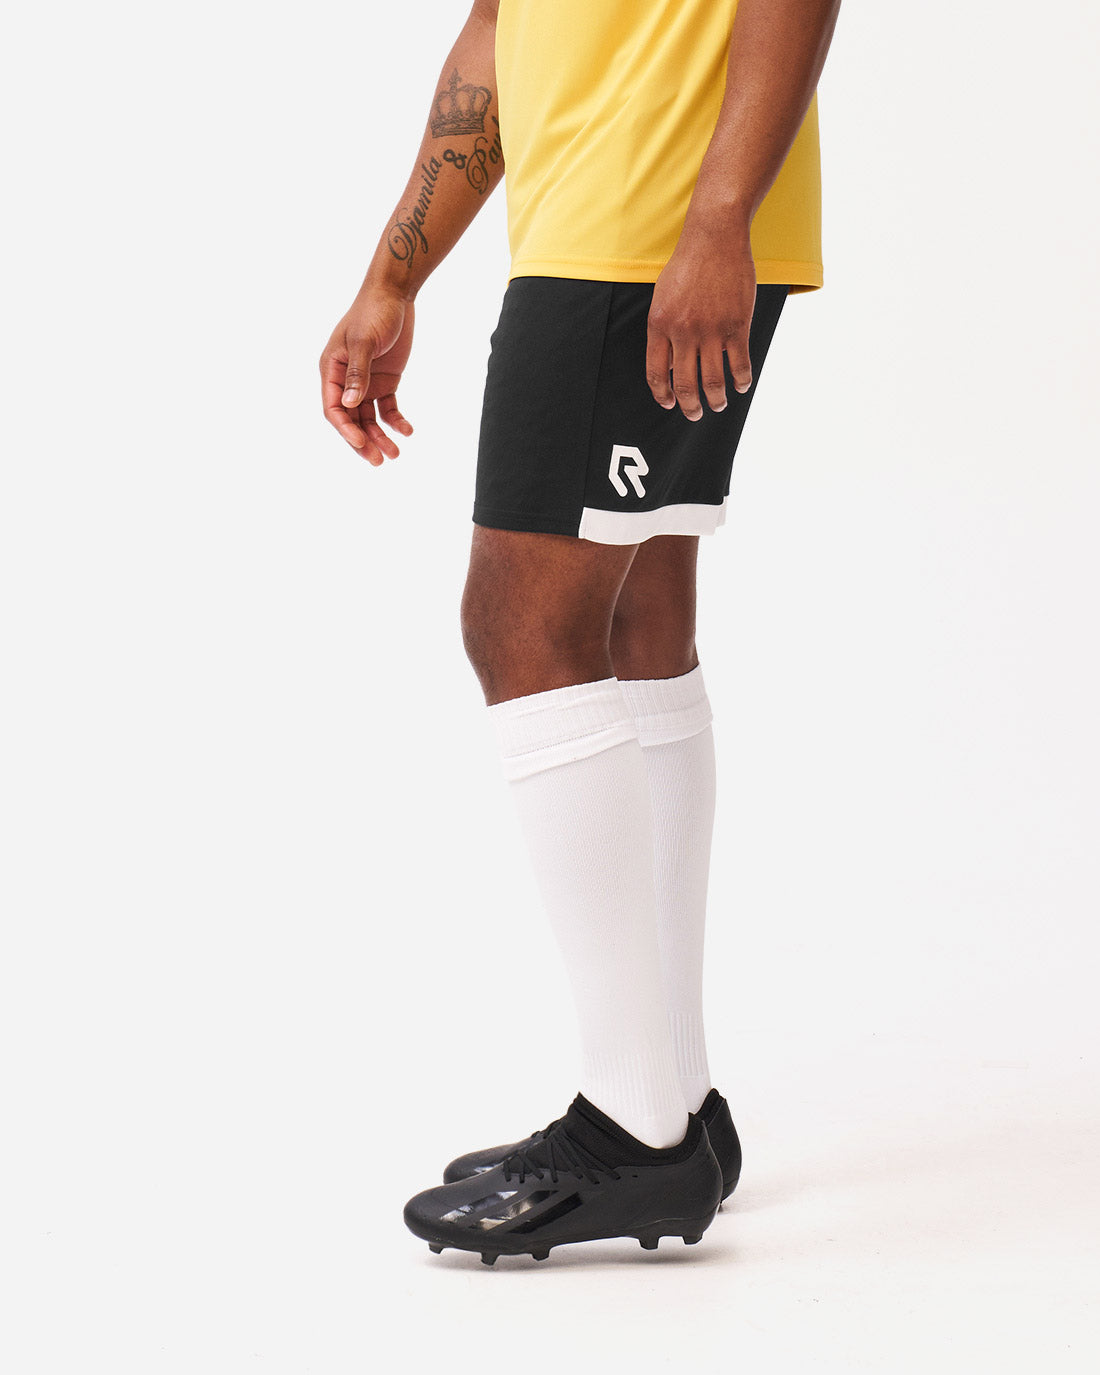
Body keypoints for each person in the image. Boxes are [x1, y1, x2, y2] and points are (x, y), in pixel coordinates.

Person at [319, 0, 841, 1266]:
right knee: (638, 619)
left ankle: (633, 1128)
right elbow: (496, 33)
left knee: (519, 624)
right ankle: (674, 1099)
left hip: (651, 223)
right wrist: (394, 274)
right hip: (603, 224)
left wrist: (716, 219)